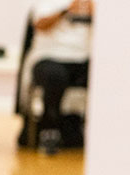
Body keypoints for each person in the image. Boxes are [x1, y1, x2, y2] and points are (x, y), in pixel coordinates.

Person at [27, 0, 93, 152]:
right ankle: (49, 130)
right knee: (55, 76)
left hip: (82, 58)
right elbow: (40, 24)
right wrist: (66, 11)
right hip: (49, 57)